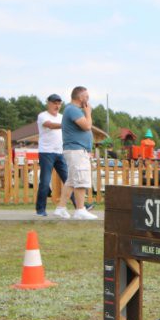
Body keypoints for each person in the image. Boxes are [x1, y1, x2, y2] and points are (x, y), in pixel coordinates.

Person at [35, 94, 87, 217]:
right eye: (54, 103)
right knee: (45, 181)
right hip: (46, 152)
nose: (57, 106)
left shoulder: (62, 117)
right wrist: (66, 125)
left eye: (59, 103)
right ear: (48, 103)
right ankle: (40, 209)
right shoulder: (42, 116)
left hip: (60, 152)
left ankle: (79, 207)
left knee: (70, 180)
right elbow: (50, 125)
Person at [53, 86, 98, 220]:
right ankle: (80, 210)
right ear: (80, 97)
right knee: (81, 179)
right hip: (76, 150)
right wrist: (88, 112)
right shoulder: (72, 109)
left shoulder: (72, 110)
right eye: (87, 97)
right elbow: (87, 126)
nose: (88, 100)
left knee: (72, 181)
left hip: (75, 150)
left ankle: (61, 208)